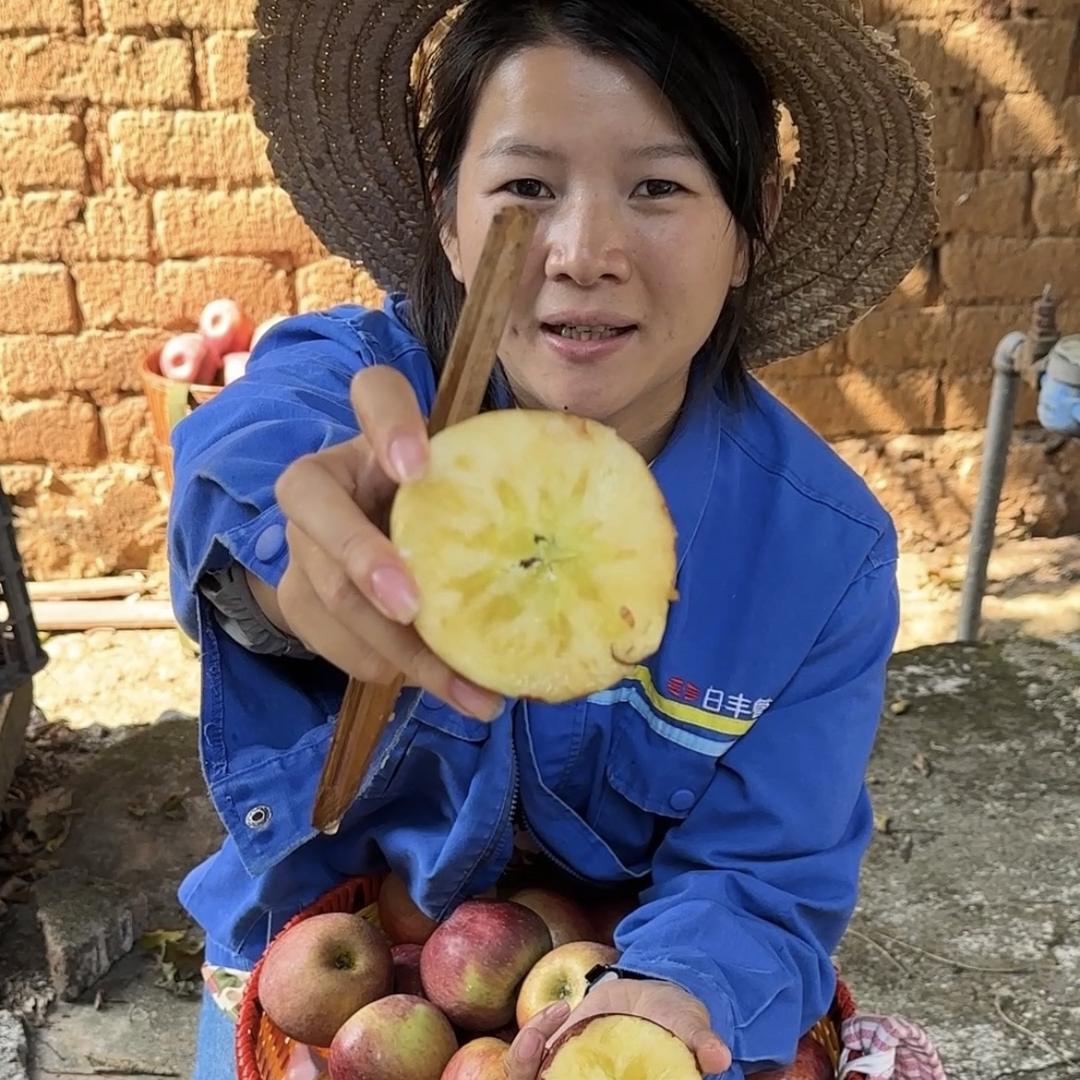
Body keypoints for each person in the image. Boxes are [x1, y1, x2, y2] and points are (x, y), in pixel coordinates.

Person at [168, 0, 936, 1076]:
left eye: (659, 188)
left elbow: (764, 873)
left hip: (615, 966)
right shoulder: (362, 399)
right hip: (310, 971)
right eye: (528, 188)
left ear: (750, 224)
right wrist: (297, 577)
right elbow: (251, 452)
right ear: (448, 220)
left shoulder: (822, 558)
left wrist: (665, 995)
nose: (583, 253)